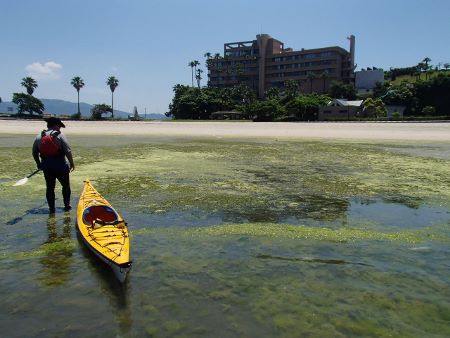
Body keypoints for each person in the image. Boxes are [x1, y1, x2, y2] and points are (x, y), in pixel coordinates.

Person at [32, 117, 75, 213]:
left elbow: (34, 152)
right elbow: (68, 151)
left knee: (50, 188)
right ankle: (67, 206)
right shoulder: (60, 135)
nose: (60, 128)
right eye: (59, 126)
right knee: (66, 186)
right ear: (55, 125)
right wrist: (71, 163)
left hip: (47, 167)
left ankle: (52, 209)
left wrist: (39, 164)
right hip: (60, 166)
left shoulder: (39, 136)